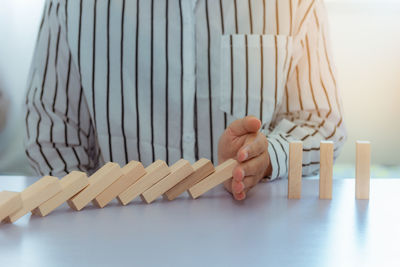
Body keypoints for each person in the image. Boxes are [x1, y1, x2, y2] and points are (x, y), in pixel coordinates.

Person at [25, 0, 346, 201]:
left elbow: (320, 121)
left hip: (252, 244)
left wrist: (267, 159)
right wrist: (90, 210)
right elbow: (51, 132)